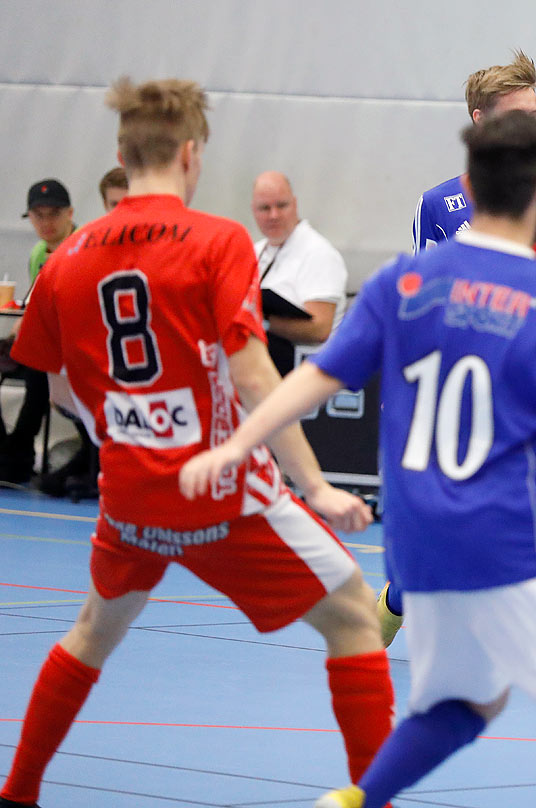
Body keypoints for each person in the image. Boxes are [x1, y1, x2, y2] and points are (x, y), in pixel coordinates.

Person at [184, 111, 536, 808]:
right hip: (512, 533)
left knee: (465, 704)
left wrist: (236, 445)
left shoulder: (402, 282)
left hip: (419, 542)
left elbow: (313, 379)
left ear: (470, 186)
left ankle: (355, 801)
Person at [0, 78, 393, 808]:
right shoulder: (216, 242)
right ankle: (381, 797)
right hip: (218, 491)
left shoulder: (68, 258)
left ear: (122, 153)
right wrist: (315, 487)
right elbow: (253, 379)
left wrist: (122, 433)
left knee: (90, 631)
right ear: (191, 154)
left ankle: (18, 793)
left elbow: (51, 387)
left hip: (129, 493)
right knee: (353, 615)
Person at [379, 52, 536, 647]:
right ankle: (396, 599)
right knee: (449, 534)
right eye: (517, 119)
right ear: (480, 124)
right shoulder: (441, 206)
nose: (533, 133)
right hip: (477, 388)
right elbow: (419, 305)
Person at [0, 181, 82, 490]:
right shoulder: (39, 252)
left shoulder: (81, 247)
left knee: (37, 373)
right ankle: (9, 450)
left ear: (70, 213)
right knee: (27, 361)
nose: (46, 223)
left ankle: (17, 453)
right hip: (45, 341)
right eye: (38, 215)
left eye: (54, 214)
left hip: (72, 349)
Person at [252, 171, 349, 362]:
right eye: (264, 208)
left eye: (281, 205)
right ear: (253, 210)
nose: (274, 215)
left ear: (295, 204)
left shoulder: (319, 254)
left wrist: (260, 322)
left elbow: (320, 329)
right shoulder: (254, 252)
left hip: (311, 376)